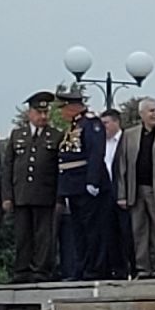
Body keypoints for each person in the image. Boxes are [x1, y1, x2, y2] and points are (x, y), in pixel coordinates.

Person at [113, 98, 155, 278]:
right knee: (139, 230)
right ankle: (142, 267)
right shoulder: (130, 134)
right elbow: (122, 166)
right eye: (150, 111)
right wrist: (122, 194)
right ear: (141, 114)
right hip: (135, 190)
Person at [1, 91, 61, 283]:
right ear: (30, 114)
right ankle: (22, 269)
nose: (43, 117)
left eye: (45, 112)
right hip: (21, 194)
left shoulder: (56, 136)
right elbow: (8, 166)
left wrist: (59, 197)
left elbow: (59, 169)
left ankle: (41, 270)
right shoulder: (18, 135)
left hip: (45, 194)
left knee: (44, 235)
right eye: (39, 112)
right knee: (22, 234)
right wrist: (7, 196)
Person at [55, 88, 109, 280]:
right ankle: (82, 267)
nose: (61, 112)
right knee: (78, 230)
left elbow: (96, 152)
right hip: (72, 185)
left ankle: (94, 268)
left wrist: (92, 180)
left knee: (92, 229)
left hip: (86, 183)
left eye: (64, 107)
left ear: (73, 107)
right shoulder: (72, 127)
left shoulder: (91, 123)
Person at [98, 108, 130, 278]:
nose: (103, 127)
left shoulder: (127, 140)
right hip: (105, 194)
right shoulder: (101, 143)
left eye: (106, 123)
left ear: (116, 122)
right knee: (108, 233)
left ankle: (129, 267)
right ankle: (114, 268)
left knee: (126, 232)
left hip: (124, 192)